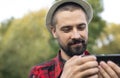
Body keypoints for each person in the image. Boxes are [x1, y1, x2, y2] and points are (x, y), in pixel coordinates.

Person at [29, 0, 120, 78]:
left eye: (81, 27)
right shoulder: (39, 73)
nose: (76, 36)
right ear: (54, 32)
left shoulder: (108, 69)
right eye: (67, 29)